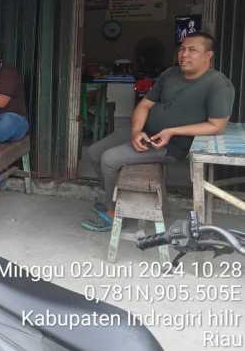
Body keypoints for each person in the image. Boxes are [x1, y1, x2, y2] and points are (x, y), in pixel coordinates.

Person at [83, 32, 235, 232]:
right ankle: (117, 198)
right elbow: (144, 105)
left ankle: (113, 213)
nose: (184, 55)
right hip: (145, 132)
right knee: (94, 152)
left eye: (192, 50)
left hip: (172, 146)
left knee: (110, 159)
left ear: (208, 56)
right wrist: (137, 131)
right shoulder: (170, 74)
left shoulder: (218, 84)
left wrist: (172, 131)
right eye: (182, 49)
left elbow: (217, 125)